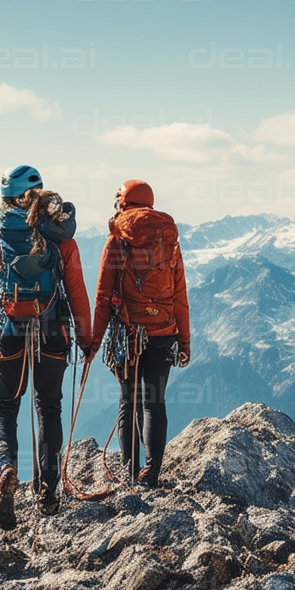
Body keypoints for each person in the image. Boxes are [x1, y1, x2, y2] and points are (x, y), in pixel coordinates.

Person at [0, 165, 93, 530]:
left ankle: (7, 467)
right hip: (53, 331)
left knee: (4, 408)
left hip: (9, 332)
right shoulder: (63, 241)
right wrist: (87, 340)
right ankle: (48, 491)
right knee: (49, 407)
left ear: (7, 200)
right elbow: (78, 293)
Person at [89, 179, 190, 489]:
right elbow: (179, 294)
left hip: (128, 336)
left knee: (128, 401)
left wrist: (93, 342)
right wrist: (184, 341)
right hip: (164, 331)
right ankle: (152, 471)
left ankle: (131, 472)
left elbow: (104, 296)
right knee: (154, 401)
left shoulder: (118, 239)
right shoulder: (169, 241)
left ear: (122, 203)